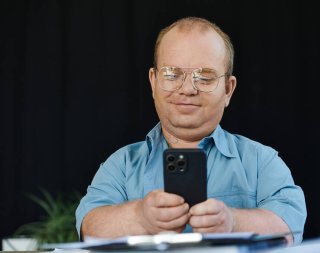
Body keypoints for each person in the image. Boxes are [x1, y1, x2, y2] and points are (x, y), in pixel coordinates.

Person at [75, 17, 307, 245]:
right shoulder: (122, 165)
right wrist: (139, 216)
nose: (187, 89)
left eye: (204, 77)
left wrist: (233, 222)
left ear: (228, 89)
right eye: (172, 75)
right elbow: (89, 228)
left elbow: (290, 228)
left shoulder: (261, 162)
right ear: (153, 82)